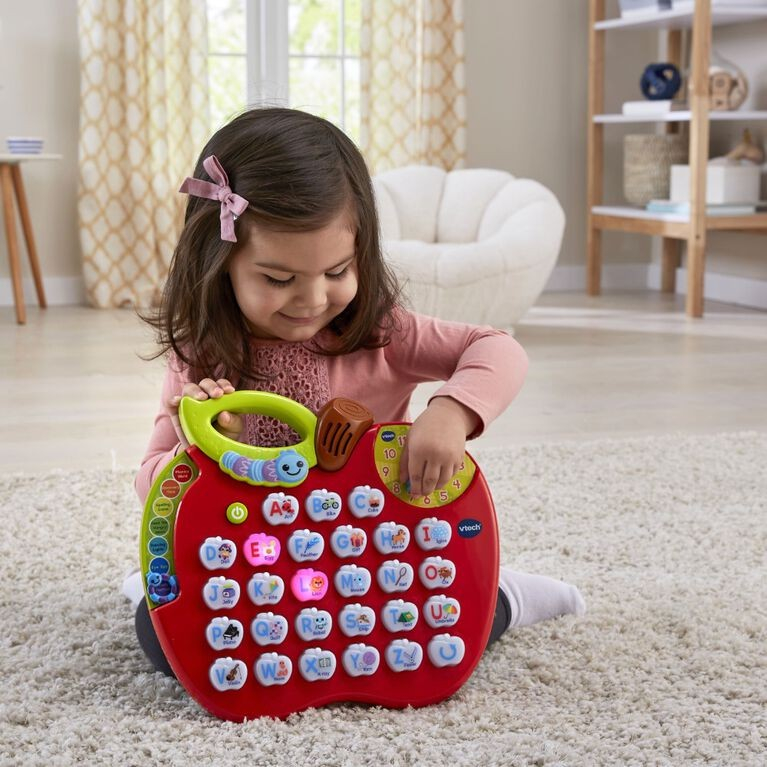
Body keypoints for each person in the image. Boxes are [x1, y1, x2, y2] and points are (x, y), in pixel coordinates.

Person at [127, 107, 584, 676]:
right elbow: (151, 483)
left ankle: (507, 594)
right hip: (256, 555)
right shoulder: (203, 353)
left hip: (374, 552)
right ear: (219, 264)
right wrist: (199, 448)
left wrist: (451, 411)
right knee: (163, 639)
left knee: (454, 618)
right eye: (278, 279)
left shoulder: (382, 332)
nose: (313, 299)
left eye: (337, 271)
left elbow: (498, 349)